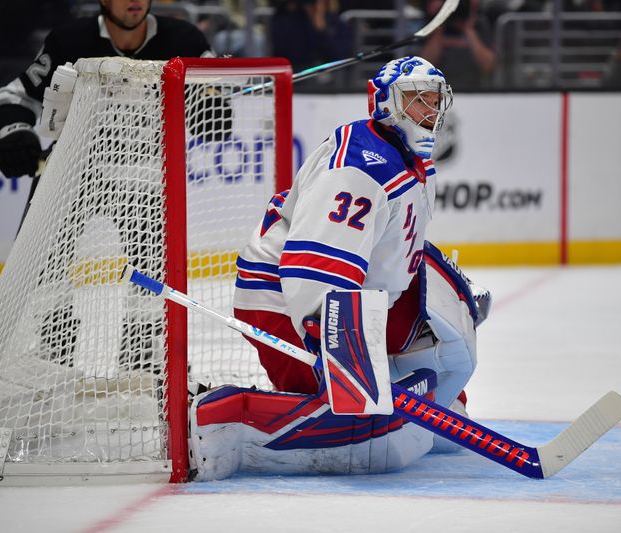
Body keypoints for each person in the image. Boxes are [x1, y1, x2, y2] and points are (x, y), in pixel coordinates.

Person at [186, 56, 491, 479]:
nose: (430, 111)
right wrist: (334, 347)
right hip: (286, 304)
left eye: (435, 100)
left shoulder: (415, 162)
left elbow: (398, 250)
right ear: (385, 103)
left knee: (438, 375)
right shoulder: (360, 169)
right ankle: (228, 420)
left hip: (354, 301)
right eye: (417, 100)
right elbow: (315, 269)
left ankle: (420, 400)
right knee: (370, 435)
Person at [0, 0, 213, 369]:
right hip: (71, 175)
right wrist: (14, 133)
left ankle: (143, 361)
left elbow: (214, 97)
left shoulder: (185, 40)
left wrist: (214, 110)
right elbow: (15, 96)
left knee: (152, 282)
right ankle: (56, 355)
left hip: (144, 178)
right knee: (49, 277)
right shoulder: (69, 41)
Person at [418, 0, 496, 90]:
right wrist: (440, 22)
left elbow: (488, 66)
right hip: (438, 91)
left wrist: (468, 29)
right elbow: (426, 63)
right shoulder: (432, 27)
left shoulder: (480, 25)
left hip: (473, 92)